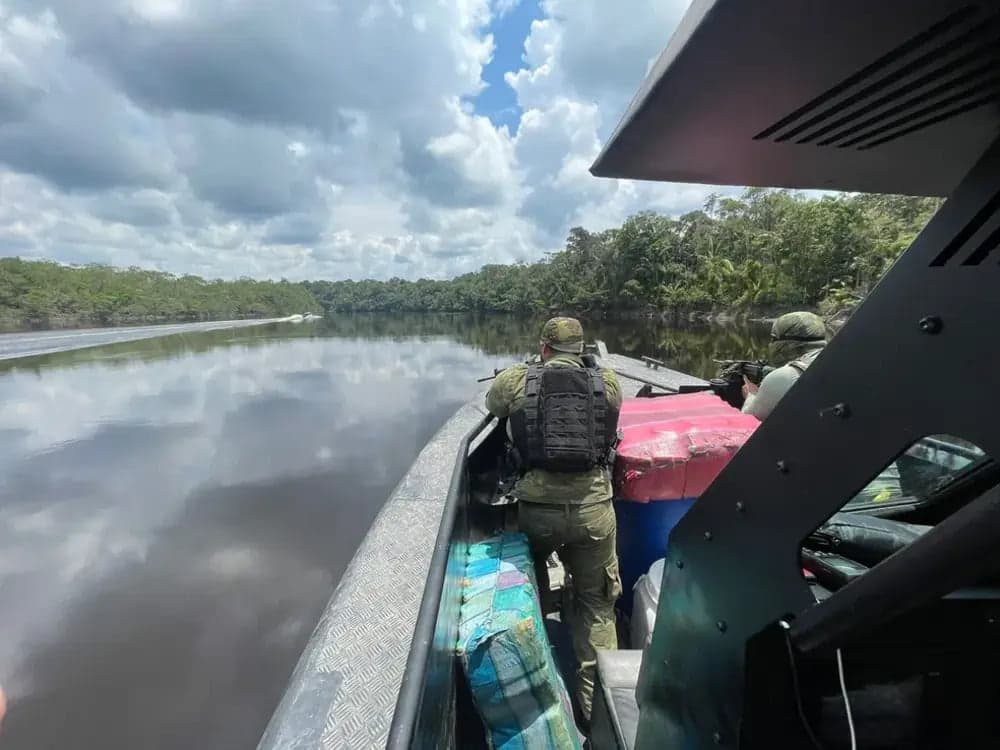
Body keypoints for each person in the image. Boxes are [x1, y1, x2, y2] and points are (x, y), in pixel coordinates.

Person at [485, 317, 622, 724]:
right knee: (597, 606)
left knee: (532, 596)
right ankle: (599, 718)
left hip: (536, 510)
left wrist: (528, 373)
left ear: (544, 347)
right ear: (580, 349)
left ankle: (542, 699)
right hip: (593, 510)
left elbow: (493, 406)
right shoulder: (609, 382)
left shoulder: (516, 379)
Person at [743, 311, 901, 503]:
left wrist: (750, 394)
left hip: (838, 505)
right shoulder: (858, 365)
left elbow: (748, 424)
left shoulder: (784, 377)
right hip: (890, 491)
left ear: (781, 343)